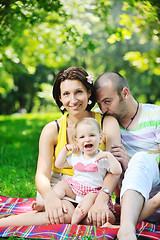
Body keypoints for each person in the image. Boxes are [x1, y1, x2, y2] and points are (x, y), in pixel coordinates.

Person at [0, 67, 121, 227]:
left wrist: (103, 198)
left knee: (100, 219)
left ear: (89, 93)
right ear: (60, 98)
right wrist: (50, 198)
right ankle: (5, 223)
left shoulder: (107, 122)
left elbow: (113, 169)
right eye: (66, 94)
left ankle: (20, 219)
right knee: (64, 215)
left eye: (79, 92)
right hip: (60, 187)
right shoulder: (52, 129)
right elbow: (42, 175)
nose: (73, 100)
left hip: (95, 187)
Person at [94, 71, 160, 240]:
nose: (103, 109)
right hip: (130, 203)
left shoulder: (155, 115)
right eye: (100, 104)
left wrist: (130, 163)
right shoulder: (106, 124)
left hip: (156, 196)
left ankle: (125, 230)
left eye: (108, 102)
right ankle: (127, 229)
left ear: (125, 93)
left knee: (140, 158)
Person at [49, 117, 121, 225]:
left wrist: (109, 156)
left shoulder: (102, 157)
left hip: (93, 192)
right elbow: (59, 164)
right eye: (82, 137)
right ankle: (51, 200)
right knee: (62, 184)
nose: (87, 139)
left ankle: (79, 216)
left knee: (90, 197)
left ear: (100, 138)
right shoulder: (76, 156)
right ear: (77, 141)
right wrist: (65, 149)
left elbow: (117, 171)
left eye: (92, 135)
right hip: (75, 189)